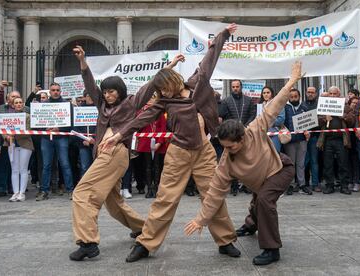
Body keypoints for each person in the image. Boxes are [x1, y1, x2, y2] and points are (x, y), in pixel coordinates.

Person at [124, 24, 240, 263]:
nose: (165, 91)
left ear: (176, 79)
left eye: (167, 86)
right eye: (161, 89)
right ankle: (146, 243)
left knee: (212, 195)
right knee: (165, 198)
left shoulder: (197, 83)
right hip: (177, 152)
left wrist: (224, 34)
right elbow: (141, 117)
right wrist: (117, 136)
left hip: (204, 151)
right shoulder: (164, 100)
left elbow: (211, 57)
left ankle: (226, 240)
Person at [184, 61, 302, 266]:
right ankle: (251, 225)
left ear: (241, 139)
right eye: (224, 147)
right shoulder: (226, 162)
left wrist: (292, 80)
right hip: (259, 179)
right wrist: (200, 219)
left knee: (265, 200)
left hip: (279, 168)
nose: (227, 151)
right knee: (259, 199)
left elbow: (274, 106)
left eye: (231, 147)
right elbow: (214, 193)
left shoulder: (255, 130)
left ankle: (271, 249)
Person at [69, 45, 179, 261]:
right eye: (106, 91)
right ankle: (144, 228)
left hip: (116, 153)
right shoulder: (100, 104)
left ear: (120, 90)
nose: (108, 95)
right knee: (114, 202)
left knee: (82, 193)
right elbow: (89, 83)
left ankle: (88, 242)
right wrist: (83, 61)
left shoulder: (131, 103)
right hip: (103, 155)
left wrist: (171, 65)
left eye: (112, 91)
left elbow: (152, 85)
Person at [36, 83, 74, 201]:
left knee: (65, 164)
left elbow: (72, 122)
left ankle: (70, 190)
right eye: (53, 90)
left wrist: (60, 129)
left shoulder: (67, 105)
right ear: (50, 92)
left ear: (60, 91)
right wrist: (44, 128)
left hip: (61, 137)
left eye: (57, 90)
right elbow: (36, 122)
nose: (55, 92)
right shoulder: (43, 105)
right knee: (46, 165)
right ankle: (44, 191)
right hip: (47, 138)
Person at [220, 79, 257, 195]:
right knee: (233, 160)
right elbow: (225, 117)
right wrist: (234, 127)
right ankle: (234, 186)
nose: (235, 88)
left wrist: (245, 126)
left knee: (247, 159)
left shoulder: (249, 100)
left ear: (241, 87)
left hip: (246, 133)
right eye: (233, 87)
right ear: (231, 88)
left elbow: (253, 114)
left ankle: (247, 185)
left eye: (237, 86)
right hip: (232, 135)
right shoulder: (226, 101)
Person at [317, 86, 354, 195]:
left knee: (343, 163)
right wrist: (324, 119)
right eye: (331, 94)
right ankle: (329, 185)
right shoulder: (324, 105)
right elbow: (317, 121)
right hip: (327, 139)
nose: (333, 96)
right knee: (328, 164)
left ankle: (344, 186)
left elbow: (352, 121)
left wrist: (345, 117)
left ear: (339, 94)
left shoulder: (345, 106)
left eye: (335, 94)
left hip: (341, 140)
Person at [4, 97, 34, 202]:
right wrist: (6, 136)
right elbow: (3, 129)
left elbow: (29, 130)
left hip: (25, 144)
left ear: (23, 104)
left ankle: (22, 193)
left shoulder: (28, 116)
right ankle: (15, 192)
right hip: (11, 144)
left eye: (20, 102)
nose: (18, 104)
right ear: (13, 105)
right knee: (14, 169)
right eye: (16, 103)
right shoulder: (7, 117)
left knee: (23, 169)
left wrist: (15, 133)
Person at [284, 88, 312, 195]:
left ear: (299, 96)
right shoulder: (285, 108)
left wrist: (308, 131)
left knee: (301, 163)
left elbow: (309, 122)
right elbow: (282, 123)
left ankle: (302, 184)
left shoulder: (304, 107)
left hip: (302, 140)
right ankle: (290, 184)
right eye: (291, 97)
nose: (294, 98)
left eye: (296, 96)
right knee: (291, 163)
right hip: (290, 140)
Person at [258, 86, 285, 153]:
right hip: (261, 133)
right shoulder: (259, 106)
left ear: (272, 94)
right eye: (264, 93)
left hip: (274, 133)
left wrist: (267, 122)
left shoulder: (278, 104)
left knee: (274, 154)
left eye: (268, 92)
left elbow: (281, 119)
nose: (266, 94)